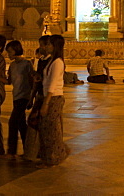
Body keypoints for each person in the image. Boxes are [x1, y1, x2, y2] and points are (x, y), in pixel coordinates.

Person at [39, 34, 70, 166]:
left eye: (49, 44)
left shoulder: (57, 62)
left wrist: (46, 103)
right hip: (49, 96)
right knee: (47, 128)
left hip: (54, 98)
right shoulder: (51, 60)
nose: (46, 47)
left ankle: (55, 156)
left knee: (51, 130)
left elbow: (52, 83)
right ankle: (53, 155)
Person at [5, 39, 33, 158]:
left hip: (24, 96)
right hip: (16, 96)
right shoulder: (12, 65)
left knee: (13, 122)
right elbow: (9, 81)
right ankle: (29, 150)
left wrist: (31, 98)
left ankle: (11, 151)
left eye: (10, 51)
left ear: (16, 50)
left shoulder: (27, 64)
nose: (8, 54)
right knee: (22, 124)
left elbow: (32, 81)